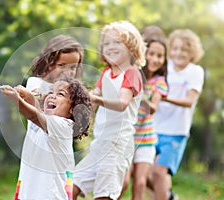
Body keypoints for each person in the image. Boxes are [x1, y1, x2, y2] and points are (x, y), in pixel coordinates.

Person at [72, 20, 146, 200]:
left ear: (131, 47)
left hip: (117, 145)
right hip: (100, 142)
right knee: (72, 185)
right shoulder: (106, 73)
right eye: (106, 43)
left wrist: (96, 98)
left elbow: (122, 103)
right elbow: (93, 100)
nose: (110, 47)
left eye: (117, 42)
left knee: (104, 194)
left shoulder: (131, 72)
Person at [1, 77, 92, 200]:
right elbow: (37, 114)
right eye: (51, 92)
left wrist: (16, 100)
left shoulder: (64, 126)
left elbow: (34, 115)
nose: (52, 96)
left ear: (73, 109)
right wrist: (30, 98)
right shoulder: (46, 122)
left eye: (60, 94)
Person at [150, 29, 205, 200]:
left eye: (184, 50)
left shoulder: (195, 71)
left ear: (192, 53)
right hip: (153, 127)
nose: (178, 53)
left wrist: (164, 98)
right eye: (175, 48)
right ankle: (169, 196)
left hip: (176, 132)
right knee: (146, 174)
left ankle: (166, 196)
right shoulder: (164, 67)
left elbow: (189, 101)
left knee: (159, 172)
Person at [118, 35, 169, 199]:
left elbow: (153, 108)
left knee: (140, 183)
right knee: (123, 181)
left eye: (159, 56)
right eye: (151, 53)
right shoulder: (131, 74)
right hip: (127, 137)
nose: (155, 59)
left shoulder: (159, 82)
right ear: (143, 53)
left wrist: (141, 95)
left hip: (146, 138)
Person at [26, 34, 84, 100]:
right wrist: (43, 96)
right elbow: (32, 95)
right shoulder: (35, 82)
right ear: (49, 63)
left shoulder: (71, 90)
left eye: (73, 67)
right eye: (62, 65)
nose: (67, 72)